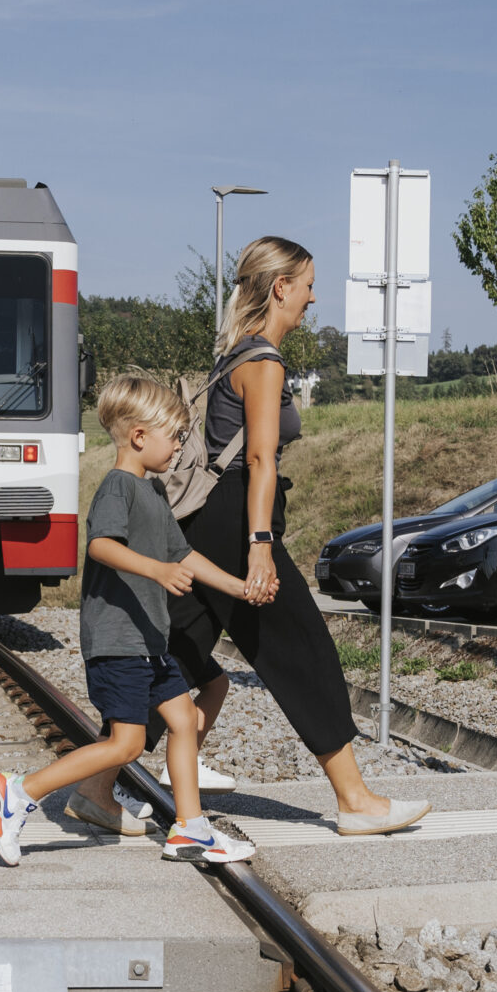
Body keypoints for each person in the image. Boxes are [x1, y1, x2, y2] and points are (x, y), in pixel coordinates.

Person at [165, 235, 432, 836]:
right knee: (304, 650)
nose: (313, 298)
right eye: (308, 284)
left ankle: (94, 785)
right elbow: (259, 460)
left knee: (179, 654)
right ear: (281, 287)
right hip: (238, 521)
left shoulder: (233, 353)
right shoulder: (262, 360)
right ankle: (355, 800)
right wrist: (260, 546)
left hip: (213, 521)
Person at [0, 375, 257, 867]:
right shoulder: (118, 487)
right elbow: (100, 546)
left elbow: (184, 554)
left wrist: (239, 587)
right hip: (117, 641)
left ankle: (190, 831)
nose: (179, 446)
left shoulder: (153, 493)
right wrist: (157, 570)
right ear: (138, 436)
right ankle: (19, 791)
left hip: (149, 640)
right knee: (126, 743)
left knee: (185, 719)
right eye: (174, 436)